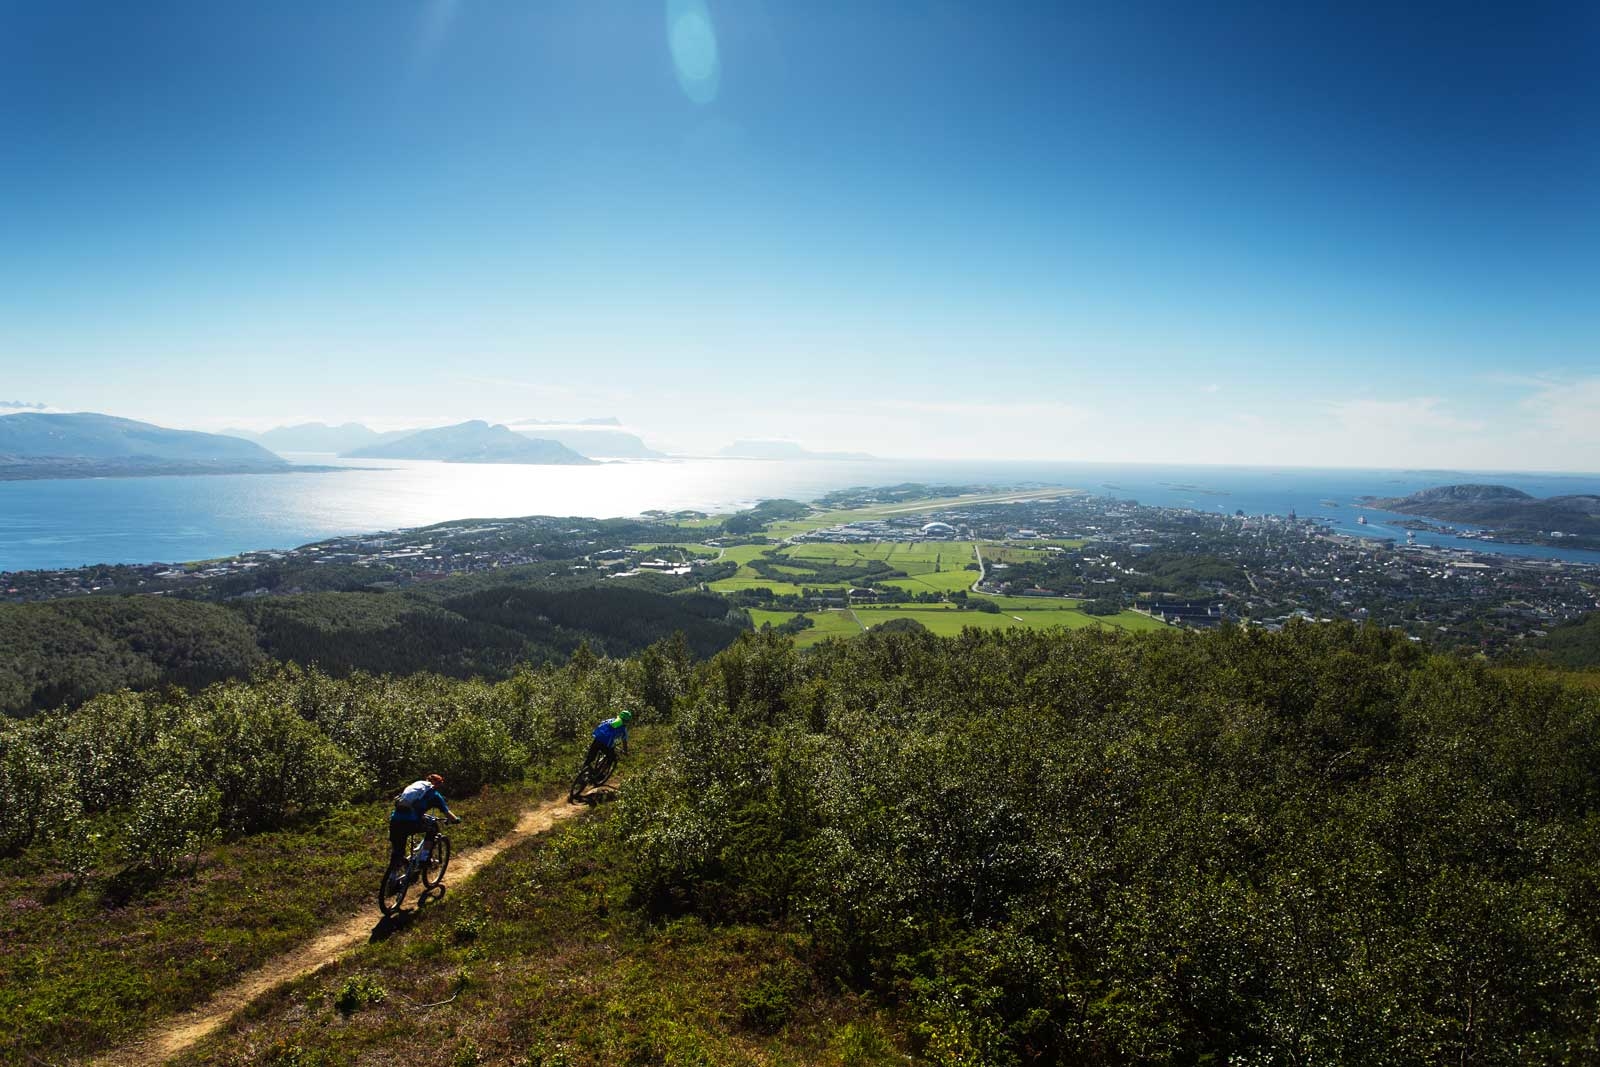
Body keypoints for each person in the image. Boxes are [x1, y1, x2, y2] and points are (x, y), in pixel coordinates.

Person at [388, 772, 459, 878]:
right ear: (438, 784)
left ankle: (392, 876)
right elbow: (447, 813)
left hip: (395, 821)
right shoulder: (434, 795)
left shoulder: (414, 787)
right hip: (411, 823)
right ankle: (424, 857)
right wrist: (456, 820)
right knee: (433, 827)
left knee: (398, 851)